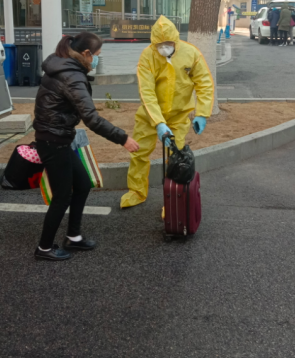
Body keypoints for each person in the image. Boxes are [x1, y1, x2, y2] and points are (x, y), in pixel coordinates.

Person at [33, 33, 139, 261]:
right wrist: (123, 138)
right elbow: (91, 118)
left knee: (82, 184)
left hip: (58, 137)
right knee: (62, 196)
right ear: (86, 53)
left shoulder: (63, 65)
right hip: (53, 140)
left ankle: (73, 236)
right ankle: (44, 248)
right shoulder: (72, 76)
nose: (97, 60)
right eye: (97, 55)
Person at [120, 16, 214, 209]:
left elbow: (204, 84)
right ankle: (136, 192)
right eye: (159, 45)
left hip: (179, 116)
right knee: (139, 153)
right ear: (154, 43)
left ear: (176, 40)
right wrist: (159, 122)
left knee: (176, 159)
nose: (164, 48)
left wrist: (202, 113)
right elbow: (146, 91)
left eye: (168, 43)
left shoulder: (191, 53)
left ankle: (174, 199)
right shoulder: (148, 56)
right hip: (149, 116)